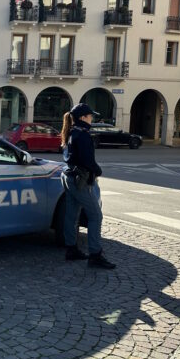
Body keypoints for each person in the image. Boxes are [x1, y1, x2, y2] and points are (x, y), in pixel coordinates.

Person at [60, 103, 116, 269]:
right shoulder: (82, 135)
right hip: (79, 180)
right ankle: (95, 255)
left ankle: (71, 249)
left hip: (69, 176)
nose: (92, 118)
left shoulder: (70, 132)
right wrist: (98, 171)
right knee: (95, 216)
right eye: (90, 116)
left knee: (71, 215)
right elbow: (88, 161)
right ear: (83, 117)